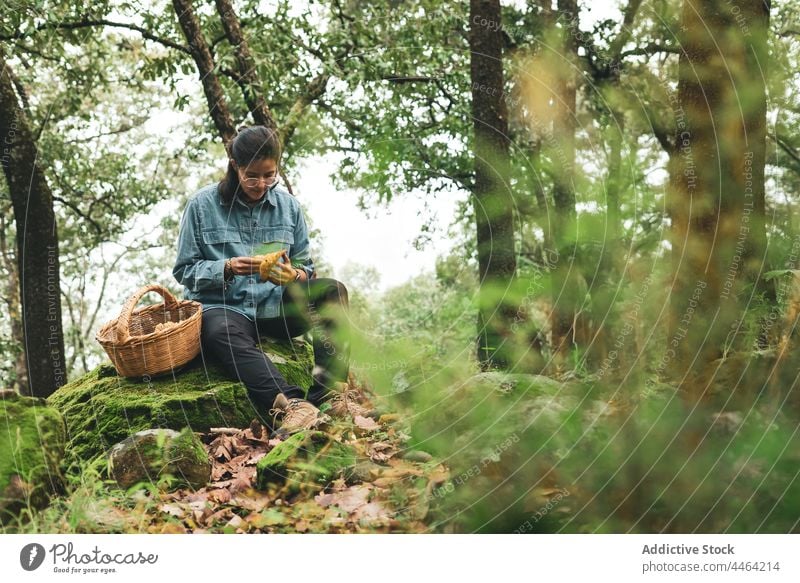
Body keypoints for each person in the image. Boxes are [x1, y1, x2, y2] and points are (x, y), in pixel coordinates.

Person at [172, 125, 352, 437]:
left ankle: (328, 394)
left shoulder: (289, 207)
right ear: (234, 166)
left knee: (333, 291)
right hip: (224, 307)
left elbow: (305, 265)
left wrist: (294, 275)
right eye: (252, 175)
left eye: (270, 175)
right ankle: (292, 405)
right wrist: (226, 267)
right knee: (217, 332)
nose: (261, 184)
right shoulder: (201, 206)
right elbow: (184, 270)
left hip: (274, 306)